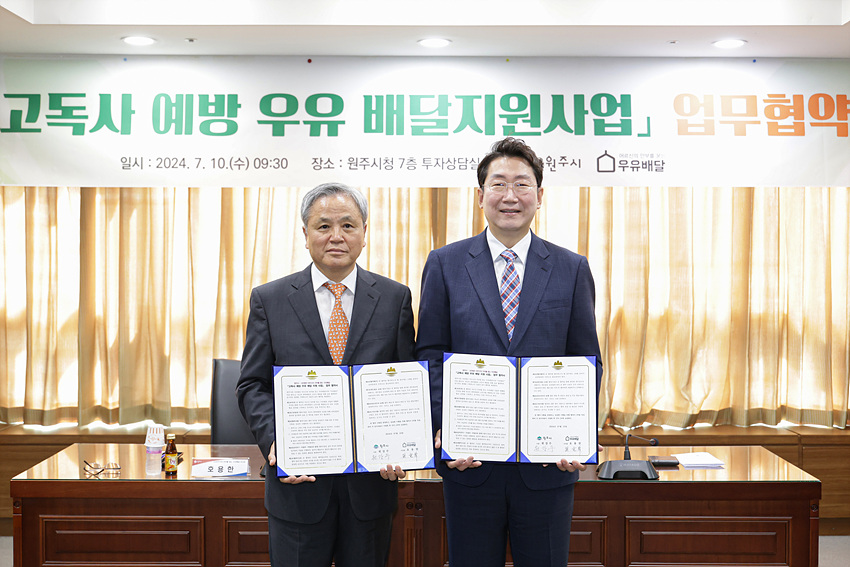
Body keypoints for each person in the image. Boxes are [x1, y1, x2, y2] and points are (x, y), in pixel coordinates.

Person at [415, 137, 604, 567]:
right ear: (480, 196)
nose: (510, 196)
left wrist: (573, 431)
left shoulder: (571, 268)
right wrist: (445, 428)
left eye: (522, 184)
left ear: (540, 195)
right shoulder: (445, 264)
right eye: (498, 184)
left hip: (547, 466)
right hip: (470, 463)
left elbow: (585, 361)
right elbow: (430, 354)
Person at [237, 182, 415, 567]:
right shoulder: (270, 299)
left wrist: (403, 445)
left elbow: (406, 382)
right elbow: (252, 384)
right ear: (305, 234)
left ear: (364, 232)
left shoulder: (394, 298)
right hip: (298, 488)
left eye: (348, 225)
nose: (336, 236)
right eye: (323, 226)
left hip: (371, 486)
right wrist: (275, 441)